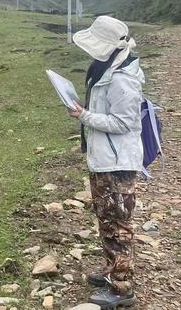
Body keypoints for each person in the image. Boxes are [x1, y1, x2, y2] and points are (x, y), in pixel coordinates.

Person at [68, 16, 143, 308]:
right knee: (107, 220)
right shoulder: (110, 68)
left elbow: (124, 122)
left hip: (117, 164)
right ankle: (114, 273)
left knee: (117, 226)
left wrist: (85, 116)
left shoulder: (122, 79)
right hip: (106, 159)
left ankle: (122, 290)